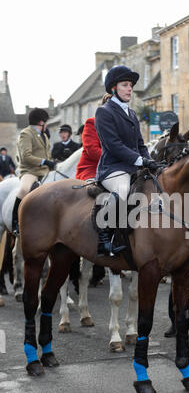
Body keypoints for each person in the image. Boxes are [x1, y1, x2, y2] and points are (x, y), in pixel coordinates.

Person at [94, 65, 163, 256]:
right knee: (123, 191)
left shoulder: (131, 114)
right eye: (125, 85)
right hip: (113, 168)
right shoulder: (104, 112)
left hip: (133, 167)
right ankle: (104, 237)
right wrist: (140, 161)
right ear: (114, 88)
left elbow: (140, 144)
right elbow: (113, 145)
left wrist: (151, 162)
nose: (130, 88)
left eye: (131, 85)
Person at [12, 108, 55, 235]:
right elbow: (26, 156)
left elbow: (47, 155)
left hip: (45, 171)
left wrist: (51, 162)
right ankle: (16, 221)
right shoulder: (26, 133)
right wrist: (44, 162)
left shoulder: (44, 135)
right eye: (46, 122)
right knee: (24, 189)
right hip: (30, 171)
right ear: (41, 122)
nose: (46, 125)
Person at [75, 117, 105, 285]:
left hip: (115, 169)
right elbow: (92, 150)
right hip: (91, 169)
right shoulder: (92, 123)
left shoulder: (123, 122)